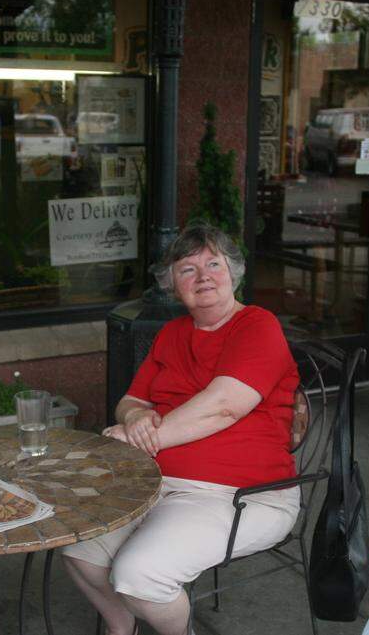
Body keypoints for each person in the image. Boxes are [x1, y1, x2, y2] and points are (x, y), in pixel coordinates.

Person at [61, 224, 301, 635]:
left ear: (234, 273)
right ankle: (123, 627)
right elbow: (132, 400)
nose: (203, 275)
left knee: (139, 576)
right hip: (156, 484)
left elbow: (224, 407)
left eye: (213, 264)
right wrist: (135, 419)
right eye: (187, 269)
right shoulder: (172, 333)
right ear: (172, 285)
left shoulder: (256, 325)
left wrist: (138, 436)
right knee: (79, 551)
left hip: (243, 495)